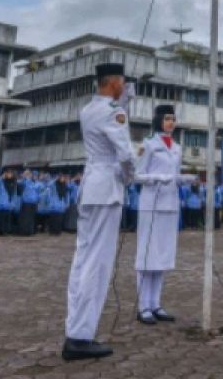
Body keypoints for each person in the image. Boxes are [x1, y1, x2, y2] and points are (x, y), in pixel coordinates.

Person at [62, 63, 136, 361]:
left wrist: (124, 102)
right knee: (98, 262)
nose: (124, 85)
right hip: (107, 188)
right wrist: (130, 177)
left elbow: (110, 126)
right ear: (114, 82)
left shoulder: (88, 109)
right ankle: (80, 337)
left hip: (91, 185)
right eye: (123, 81)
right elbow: (126, 153)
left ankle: (76, 329)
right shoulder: (111, 113)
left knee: (83, 259)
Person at [133, 104, 194, 325]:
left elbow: (174, 174)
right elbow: (136, 175)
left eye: (173, 119)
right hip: (151, 203)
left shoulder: (177, 147)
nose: (171, 122)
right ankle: (143, 306)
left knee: (163, 256)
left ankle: (156, 303)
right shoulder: (148, 145)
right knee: (147, 255)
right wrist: (158, 177)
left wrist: (182, 179)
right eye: (167, 118)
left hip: (169, 204)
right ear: (159, 120)